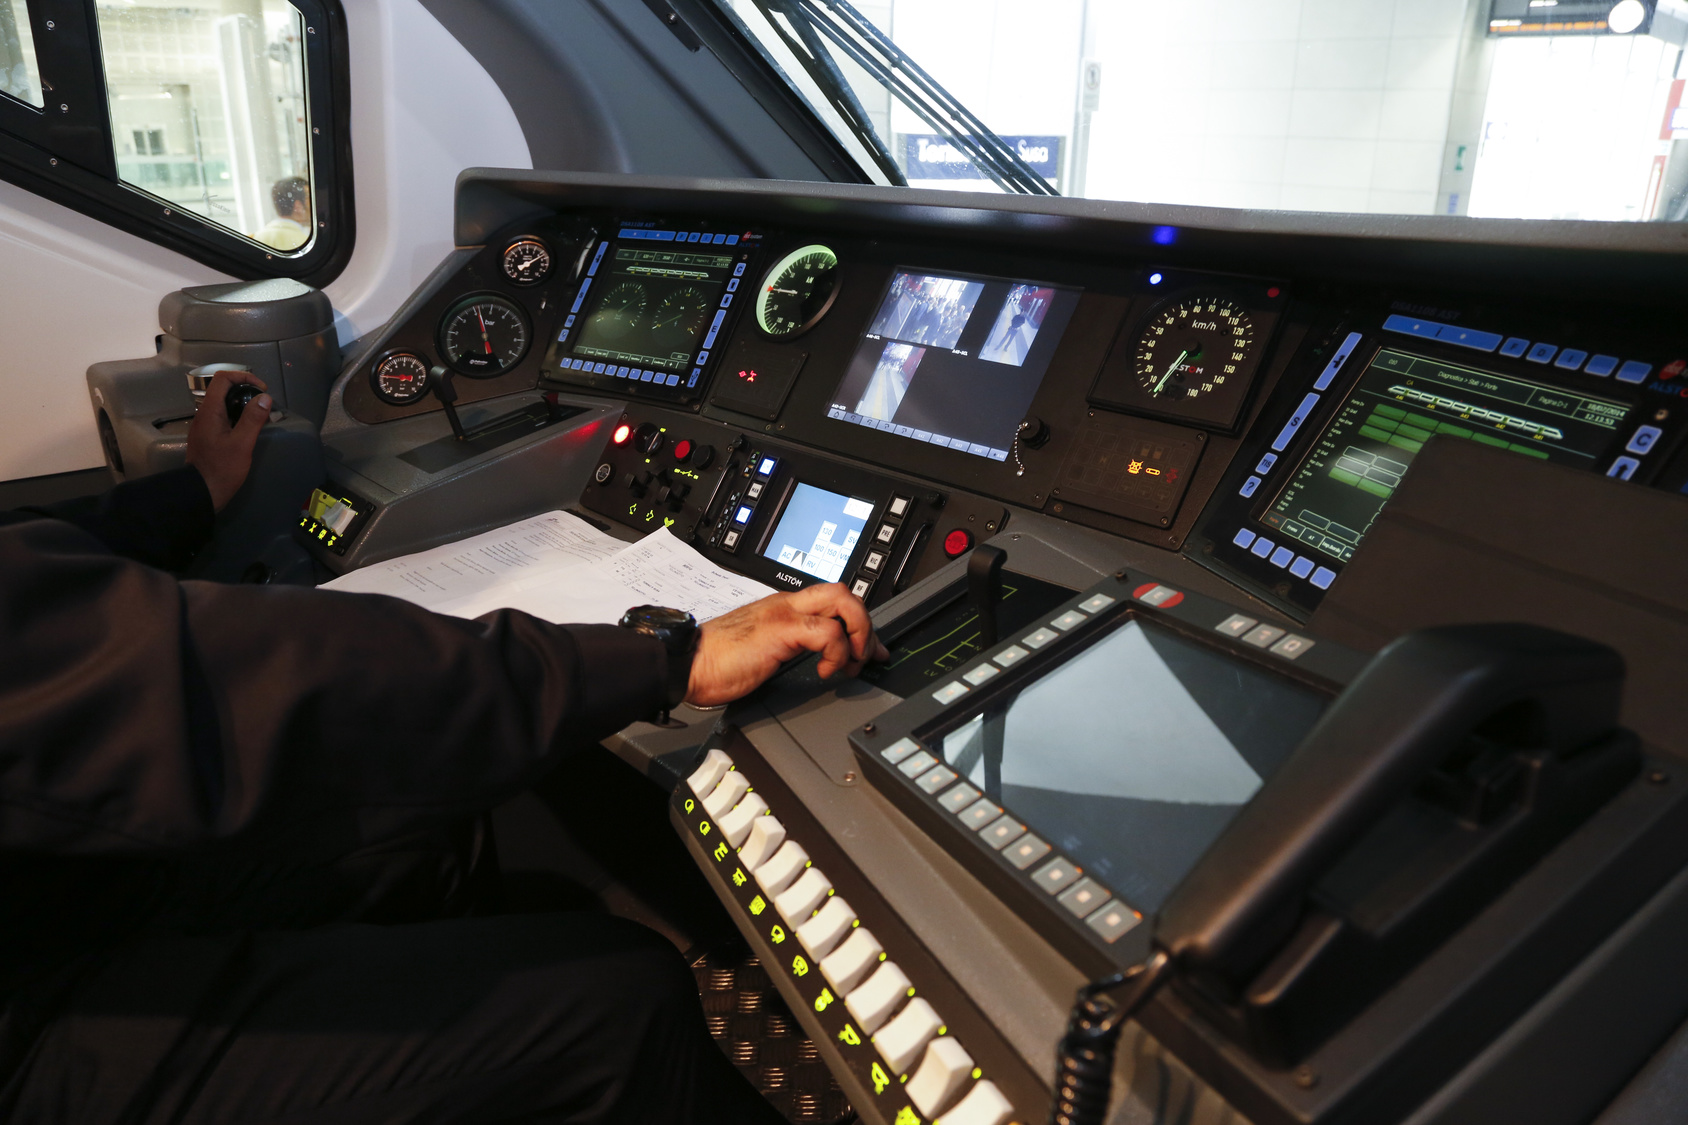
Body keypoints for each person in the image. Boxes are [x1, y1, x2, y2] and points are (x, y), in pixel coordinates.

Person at [0, 369, 888, 1123]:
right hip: (28, 1032)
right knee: (623, 1000)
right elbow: (247, 676)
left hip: (44, 897)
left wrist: (188, 491)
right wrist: (669, 658)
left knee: (423, 838)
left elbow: (41, 578)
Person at [252, 175, 312, 252]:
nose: (315, 205)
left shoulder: (258, 237)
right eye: (310, 198)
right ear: (298, 206)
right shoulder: (305, 245)